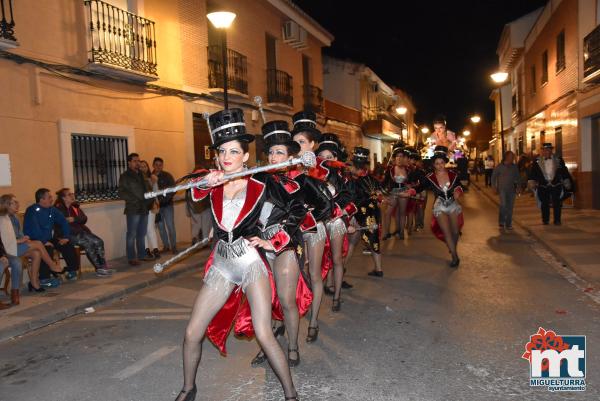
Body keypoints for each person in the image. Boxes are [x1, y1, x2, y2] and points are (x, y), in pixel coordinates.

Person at [174, 108, 299, 401]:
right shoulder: (213, 180)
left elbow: (296, 210)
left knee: (264, 333)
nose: (226, 157)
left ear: (245, 156)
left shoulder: (261, 182)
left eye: (233, 151)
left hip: (250, 262)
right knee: (192, 332)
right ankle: (188, 388)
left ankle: (291, 395)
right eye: (221, 151)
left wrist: (275, 240)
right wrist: (204, 181)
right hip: (222, 262)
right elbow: (191, 191)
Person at [250, 120, 311, 368]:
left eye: (280, 152)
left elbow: (300, 214)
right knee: (264, 303)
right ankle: (268, 345)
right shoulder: (257, 178)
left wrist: (272, 241)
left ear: (289, 156)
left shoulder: (297, 183)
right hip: (257, 245)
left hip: (284, 244)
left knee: (286, 300)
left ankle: (293, 346)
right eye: (271, 152)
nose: (274, 157)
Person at [291, 110, 333, 342]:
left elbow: (328, 205)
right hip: (293, 231)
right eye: (294, 142)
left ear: (313, 144)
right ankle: (286, 319)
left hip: (314, 228)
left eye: (302, 142)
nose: (298, 146)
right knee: (292, 276)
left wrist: (310, 215)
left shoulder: (324, 171)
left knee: (313, 273)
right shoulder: (286, 169)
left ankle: (314, 320)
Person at [315, 133, 357, 312]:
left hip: (335, 222)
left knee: (336, 258)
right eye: (321, 157)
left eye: (329, 157)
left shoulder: (344, 179)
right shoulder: (312, 176)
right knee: (314, 263)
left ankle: (337, 296)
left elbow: (350, 200)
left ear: (336, 158)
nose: (325, 160)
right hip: (317, 224)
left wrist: (342, 212)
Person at [0, 194, 64, 292]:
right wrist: (21, 240)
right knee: (38, 243)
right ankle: (52, 265)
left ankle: (34, 283)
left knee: (36, 253)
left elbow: (20, 234)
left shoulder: (14, 218)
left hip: (16, 246)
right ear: (7, 204)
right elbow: (4, 241)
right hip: (6, 249)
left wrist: (25, 239)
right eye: (15, 203)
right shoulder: (2, 219)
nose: (18, 204)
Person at [418, 146, 464, 267]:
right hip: (440, 206)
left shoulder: (453, 175)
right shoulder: (429, 177)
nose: (440, 165)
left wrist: (458, 191)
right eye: (437, 163)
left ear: (445, 163)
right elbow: (419, 187)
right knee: (447, 231)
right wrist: (410, 191)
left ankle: (452, 247)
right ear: (434, 165)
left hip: (453, 204)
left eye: (442, 163)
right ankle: (454, 256)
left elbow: (460, 186)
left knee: (455, 231)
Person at [24, 188, 80, 285]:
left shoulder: (52, 209)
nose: (52, 199)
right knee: (47, 248)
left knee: (66, 244)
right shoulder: (32, 210)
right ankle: (44, 279)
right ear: (41, 200)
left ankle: (71, 271)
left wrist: (66, 237)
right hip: (35, 240)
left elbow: (63, 222)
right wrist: (43, 241)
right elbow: (34, 229)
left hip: (49, 238)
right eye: (49, 197)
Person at [54, 188, 114, 276]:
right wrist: (69, 221)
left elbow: (84, 218)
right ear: (63, 198)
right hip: (67, 235)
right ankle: (99, 269)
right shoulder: (58, 209)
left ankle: (103, 265)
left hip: (80, 232)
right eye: (69, 194)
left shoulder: (74, 207)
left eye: (72, 194)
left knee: (99, 241)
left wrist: (74, 219)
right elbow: (60, 225)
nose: (72, 196)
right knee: (88, 244)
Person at [345, 147, 384, 277]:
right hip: (373, 213)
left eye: (351, 166)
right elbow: (379, 195)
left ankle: (341, 268)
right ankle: (378, 269)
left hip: (358, 214)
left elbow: (351, 200)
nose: (349, 168)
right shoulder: (372, 179)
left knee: (351, 243)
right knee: (374, 240)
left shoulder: (352, 181)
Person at [118, 153, 152, 266]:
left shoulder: (143, 175)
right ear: (129, 162)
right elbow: (121, 193)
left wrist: (149, 201)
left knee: (141, 233)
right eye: (135, 161)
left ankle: (142, 255)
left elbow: (148, 189)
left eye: (138, 160)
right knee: (131, 234)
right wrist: (134, 200)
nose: (137, 163)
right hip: (133, 209)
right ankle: (131, 258)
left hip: (144, 208)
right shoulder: (125, 176)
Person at [528, 143, 573, 226]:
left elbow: (564, 171)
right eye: (545, 150)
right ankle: (545, 220)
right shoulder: (537, 161)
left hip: (556, 184)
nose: (547, 151)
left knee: (557, 203)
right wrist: (532, 182)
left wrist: (566, 180)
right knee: (544, 203)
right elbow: (533, 173)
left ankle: (557, 220)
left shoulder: (558, 159)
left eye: (548, 149)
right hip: (543, 185)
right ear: (542, 151)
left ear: (551, 150)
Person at [382, 142, 412, 240]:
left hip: (404, 193)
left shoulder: (408, 170)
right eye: (397, 157)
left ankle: (401, 232)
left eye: (401, 156)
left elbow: (412, 182)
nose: (399, 158)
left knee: (402, 213)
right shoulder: (390, 170)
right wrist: (383, 194)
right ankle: (386, 233)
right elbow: (384, 183)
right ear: (394, 158)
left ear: (404, 158)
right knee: (388, 212)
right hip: (393, 193)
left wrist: (410, 189)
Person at [153, 157, 177, 254]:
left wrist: (165, 199)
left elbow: (173, 189)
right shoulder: (150, 176)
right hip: (156, 207)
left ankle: (174, 246)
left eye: (160, 165)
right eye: (156, 164)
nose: (158, 166)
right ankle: (166, 246)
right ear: (153, 165)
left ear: (162, 166)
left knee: (170, 226)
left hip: (167, 205)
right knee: (161, 227)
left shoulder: (167, 176)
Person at [491, 151, 521, 230]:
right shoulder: (500, 167)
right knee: (503, 205)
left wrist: (518, 187)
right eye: (511, 157)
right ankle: (501, 221)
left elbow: (518, 178)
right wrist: (494, 187)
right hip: (502, 190)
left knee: (510, 207)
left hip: (511, 190)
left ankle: (508, 223)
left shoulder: (514, 167)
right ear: (506, 157)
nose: (512, 158)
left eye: (513, 157)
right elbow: (493, 177)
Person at [140, 160, 161, 259]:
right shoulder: (137, 179)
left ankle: (155, 249)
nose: (143, 168)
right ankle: (146, 249)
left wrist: (156, 203)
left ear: (148, 167)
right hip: (141, 206)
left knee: (150, 228)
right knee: (143, 229)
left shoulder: (152, 179)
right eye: (141, 166)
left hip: (151, 205)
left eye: (145, 166)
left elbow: (156, 192)